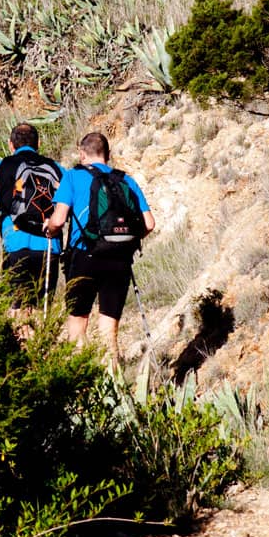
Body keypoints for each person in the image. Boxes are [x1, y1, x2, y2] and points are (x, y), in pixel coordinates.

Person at [44, 131, 154, 366]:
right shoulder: (126, 180)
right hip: (120, 259)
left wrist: (50, 229)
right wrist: (127, 241)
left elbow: (59, 219)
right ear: (108, 154)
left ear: (82, 154)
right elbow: (149, 224)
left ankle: (84, 381)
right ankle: (113, 382)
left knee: (78, 321)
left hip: (85, 255)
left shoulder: (73, 177)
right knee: (109, 326)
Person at [0, 123, 62, 306]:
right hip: (49, 246)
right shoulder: (57, 169)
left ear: (10, 144)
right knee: (43, 311)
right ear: (39, 143)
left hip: (15, 244)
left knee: (17, 310)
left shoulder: (0, 168)